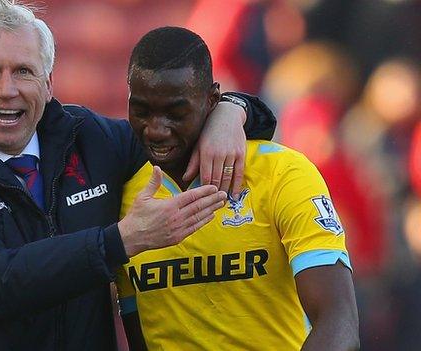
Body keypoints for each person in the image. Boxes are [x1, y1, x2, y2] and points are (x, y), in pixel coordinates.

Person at [0, 1, 276, 350]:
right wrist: (121, 241)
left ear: (49, 84)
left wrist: (229, 112)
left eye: (23, 71)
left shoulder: (88, 138)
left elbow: (177, 131)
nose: (6, 89)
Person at [116, 27, 359, 350]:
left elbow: (339, 320)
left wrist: (236, 108)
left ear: (212, 100)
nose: (157, 130)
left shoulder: (282, 173)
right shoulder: (123, 193)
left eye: (176, 113)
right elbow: (139, 336)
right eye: (142, 111)